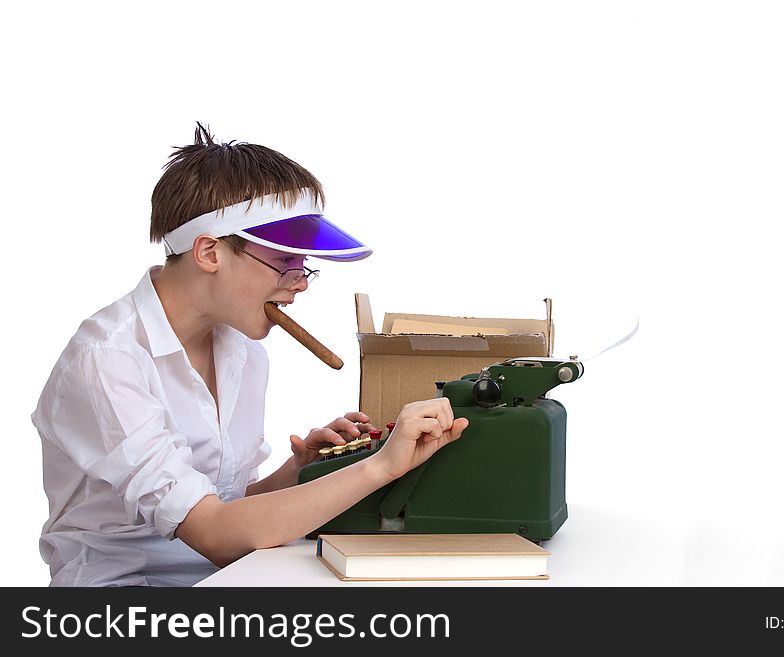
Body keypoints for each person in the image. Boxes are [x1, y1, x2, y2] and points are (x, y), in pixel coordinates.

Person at [32, 123, 469, 586]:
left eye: (305, 265)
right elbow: (215, 535)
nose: (300, 281)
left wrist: (299, 470)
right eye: (284, 260)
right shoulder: (107, 360)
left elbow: (224, 506)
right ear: (209, 252)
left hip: (226, 578)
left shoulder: (242, 347)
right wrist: (381, 466)